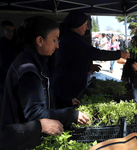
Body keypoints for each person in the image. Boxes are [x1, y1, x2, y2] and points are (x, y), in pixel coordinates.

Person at [0, 16, 90, 150]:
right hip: (22, 143)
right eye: (54, 40)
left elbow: (43, 94)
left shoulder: (36, 60)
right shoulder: (28, 69)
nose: (57, 45)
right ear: (40, 40)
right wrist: (70, 114)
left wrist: (66, 102)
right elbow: (35, 114)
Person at [51, 10, 129, 109]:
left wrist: (88, 67)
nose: (86, 27)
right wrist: (119, 54)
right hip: (68, 87)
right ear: (78, 24)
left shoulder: (70, 37)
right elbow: (95, 53)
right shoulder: (72, 39)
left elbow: (74, 60)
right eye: (85, 24)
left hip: (67, 84)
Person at [0, 20, 15, 101]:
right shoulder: (3, 43)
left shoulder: (9, 43)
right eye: (8, 30)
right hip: (4, 78)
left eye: (12, 31)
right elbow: (3, 62)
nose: (11, 33)